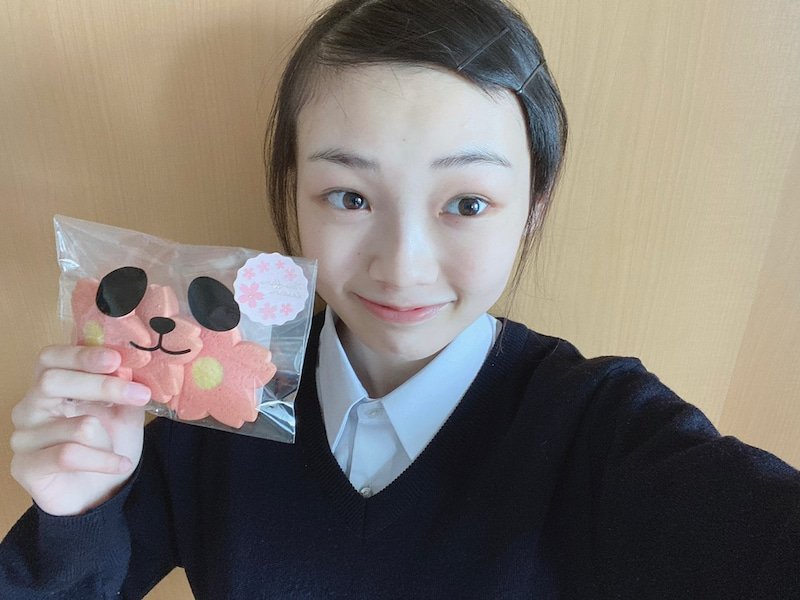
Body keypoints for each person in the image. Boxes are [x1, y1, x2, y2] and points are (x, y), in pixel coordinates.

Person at [2, 0, 799, 597]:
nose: (402, 267)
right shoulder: (217, 398)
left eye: (467, 203)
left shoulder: (600, 431)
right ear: (293, 191)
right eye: (349, 197)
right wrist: (78, 511)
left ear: (535, 207)